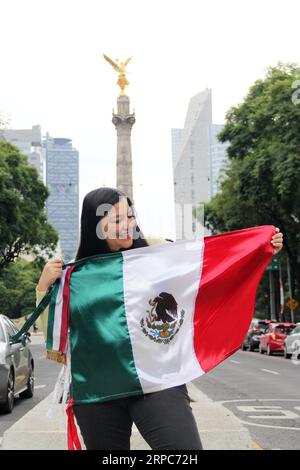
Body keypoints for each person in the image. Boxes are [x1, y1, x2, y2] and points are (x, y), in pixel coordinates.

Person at [35, 187, 283, 450]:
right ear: (96, 226)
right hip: (98, 391)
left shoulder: (158, 252)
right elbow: (55, 338)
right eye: (117, 220)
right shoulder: (73, 275)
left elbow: (209, 265)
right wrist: (44, 287)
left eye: (130, 217)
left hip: (157, 382)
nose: (128, 225)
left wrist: (257, 247)